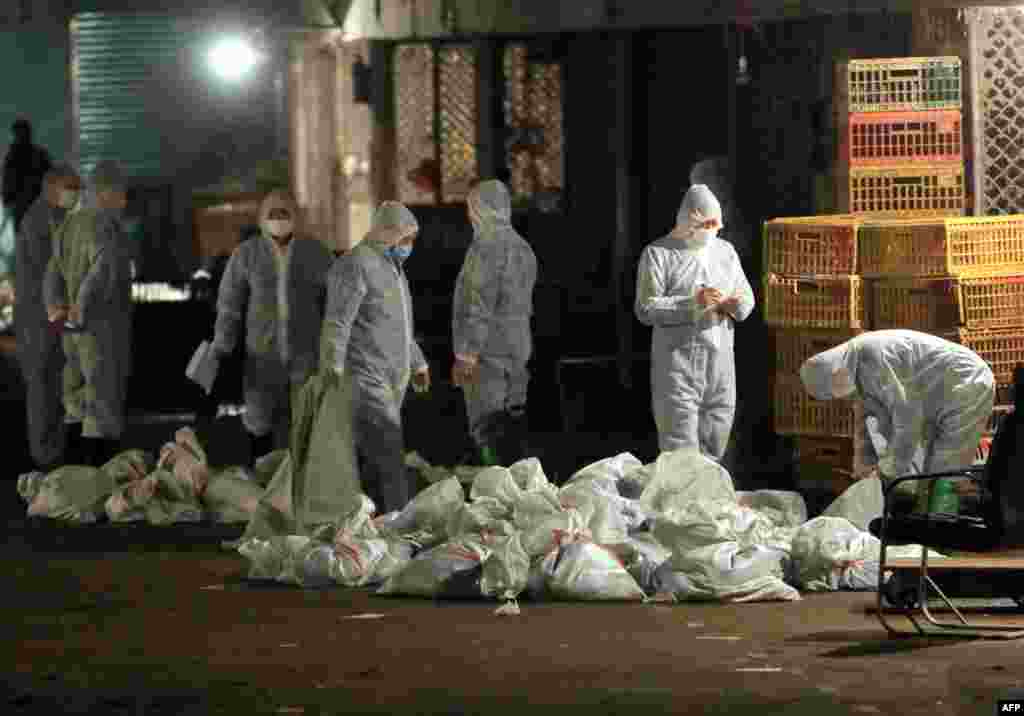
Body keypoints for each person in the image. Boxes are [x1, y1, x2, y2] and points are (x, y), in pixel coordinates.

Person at [312, 200, 429, 518]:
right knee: (389, 448)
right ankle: (399, 517)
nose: (408, 246)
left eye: (411, 240)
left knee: (369, 452)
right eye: (404, 238)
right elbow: (338, 322)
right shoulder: (356, 264)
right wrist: (332, 367)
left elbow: (399, 324)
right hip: (364, 374)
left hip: (392, 375)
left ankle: (361, 517)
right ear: (388, 233)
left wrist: (417, 363)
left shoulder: (394, 270)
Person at [799, 329, 995, 511]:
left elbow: (907, 423)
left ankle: (939, 536)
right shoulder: (855, 372)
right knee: (928, 473)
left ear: (835, 371)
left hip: (967, 383)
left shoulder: (872, 357)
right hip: (937, 393)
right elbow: (864, 425)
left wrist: (888, 471)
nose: (839, 397)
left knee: (944, 470)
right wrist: (863, 472)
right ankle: (929, 524)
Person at [634, 184, 755, 461]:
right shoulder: (659, 254)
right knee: (680, 446)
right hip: (679, 364)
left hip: (721, 360)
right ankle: (682, 502)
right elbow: (645, 308)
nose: (713, 228)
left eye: (716, 223)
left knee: (718, 427)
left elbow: (746, 296)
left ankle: (709, 502)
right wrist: (692, 303)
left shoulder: (725, 252)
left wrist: (734, 304)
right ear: (690, 220)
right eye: (707, 223)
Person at [211, 190, 332, 465]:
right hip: (261, 358)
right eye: (273, 215)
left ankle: (304, 489)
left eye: (284, 214)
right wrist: (222, 345)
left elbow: (337, 304)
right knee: (259, 423)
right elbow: (229, 306)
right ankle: (264, 486)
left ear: (296, 217)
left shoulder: (316, 254)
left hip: (306, 356)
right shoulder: (246, 255)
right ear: (261, 218)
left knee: (307, 424)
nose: (279, 220)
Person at [44, 160, 132, 467]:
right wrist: (82, 307)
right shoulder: (104, 225)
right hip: (100, 330)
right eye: (120, 192)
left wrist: (57, 308)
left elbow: (52, 273)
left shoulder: (69, 224)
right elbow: (101, 271)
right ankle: (101, 480)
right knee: (101, 402)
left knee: (74, 399)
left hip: (71, 331)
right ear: (105, 191)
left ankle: (73, 479)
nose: (123, 200)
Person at [451, 179, 538, 466]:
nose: (469, 215)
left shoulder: (485, 248)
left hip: (488, 348)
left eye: (471, 207)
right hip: (518, 344)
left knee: (487, 426)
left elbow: (478, 305)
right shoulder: (523, 246)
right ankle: (520, 488)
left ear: (480, 209)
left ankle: (497, 488)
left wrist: (466, 354)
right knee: (513, 422)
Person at [15, 162, 81, 470]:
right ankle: (45, 461)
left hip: (51, 321)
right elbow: (52, 272)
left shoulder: (57, 218)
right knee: (43, 389)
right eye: (72, 188)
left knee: (55, 389)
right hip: (39, 322)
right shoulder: (39, 221)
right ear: (53, 186)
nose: (76, 194)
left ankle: (53, 457)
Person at [2, 119, 52, 235]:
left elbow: (8, 181)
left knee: (25, 237)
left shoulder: (12, 156)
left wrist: (7, 200)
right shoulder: (39, 154)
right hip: (34, 203)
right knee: (34, 237)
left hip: (25, 204)